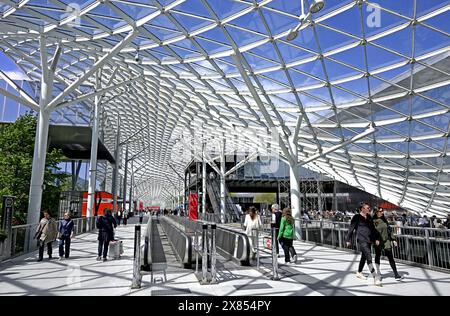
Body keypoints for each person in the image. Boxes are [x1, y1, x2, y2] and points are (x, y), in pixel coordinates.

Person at [346, 202, 382, 286]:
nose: (369, 209)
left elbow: (373, 229)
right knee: (369, 256)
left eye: (369, 208)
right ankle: (375, 277)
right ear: (362, 209)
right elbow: (351, 228)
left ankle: (359, 272)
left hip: (369, 240)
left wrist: (376, 238)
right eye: (367, 208)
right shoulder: (356, 217)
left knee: (364, 256)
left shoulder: (369, 217)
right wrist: (348, 239)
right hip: (361, 240)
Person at [372, 207, 403, 281]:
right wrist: (375, 239)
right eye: (380, 211)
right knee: (378, 255)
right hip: (378, 241)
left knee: (390, 257)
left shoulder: (384, 220)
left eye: (382, 211)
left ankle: (396, 274)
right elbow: (371, 232)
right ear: (376, 212)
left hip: (386, 241)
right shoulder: (373, 221)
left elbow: (389, 230)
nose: (382, 212)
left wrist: (393, 239)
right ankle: (378, 272)